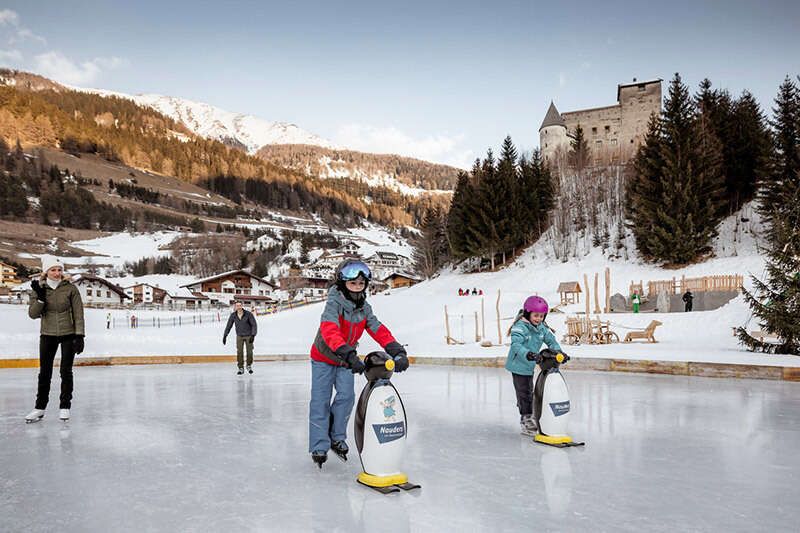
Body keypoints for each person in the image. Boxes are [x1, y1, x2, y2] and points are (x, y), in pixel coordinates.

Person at [308, 259, 408, 468]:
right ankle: (319, 444)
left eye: (361, 284)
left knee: (346, 397)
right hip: (324, 358)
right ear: (343, 283)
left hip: (346, 359)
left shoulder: (364, 308)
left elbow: (377, 328)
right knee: (320, 400)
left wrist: (396, 349)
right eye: (353, 284)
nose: (357, 287)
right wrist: (348, 353)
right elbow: (330, 331)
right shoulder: (333, 303)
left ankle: (336, 437)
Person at [25, 255, 85, 423]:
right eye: (53, 270)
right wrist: (40, 299)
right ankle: (39, 408)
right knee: (45, 372)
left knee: (66, 371)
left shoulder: (70, 289)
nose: (57, 273)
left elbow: (78, 314)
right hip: (47, 334)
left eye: (59, 270)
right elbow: (33, 314)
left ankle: (65, 406)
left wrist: (79, 335)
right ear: (46, 272)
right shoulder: (38, 288)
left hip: (68, 334)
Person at [504, 296, 562, 437]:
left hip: (530, 364)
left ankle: (532, 413)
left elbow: (551, 340)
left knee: (531, 391)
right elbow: (516, 345)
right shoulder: (519, 327)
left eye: (541, 316)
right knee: (524, 392)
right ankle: (526, 419)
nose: (538, 319)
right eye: (536, 315)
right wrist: (528, 354)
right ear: (527, 313)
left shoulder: (541, 328)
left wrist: (559, 352)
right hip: (518, 364)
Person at [223, 301, 258, 375]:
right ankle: (240, 367)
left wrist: (253, 335)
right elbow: (229, 325)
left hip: (248, 336)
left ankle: (249, 365)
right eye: (237, 306)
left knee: (249, 352)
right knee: (239, 352)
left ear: (242, 306)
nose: (238, 307)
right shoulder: (233, 315)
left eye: (240, 305)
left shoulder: (248, 314)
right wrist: (225, 335)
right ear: (235, 307)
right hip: (239, 336)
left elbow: (254, 325)